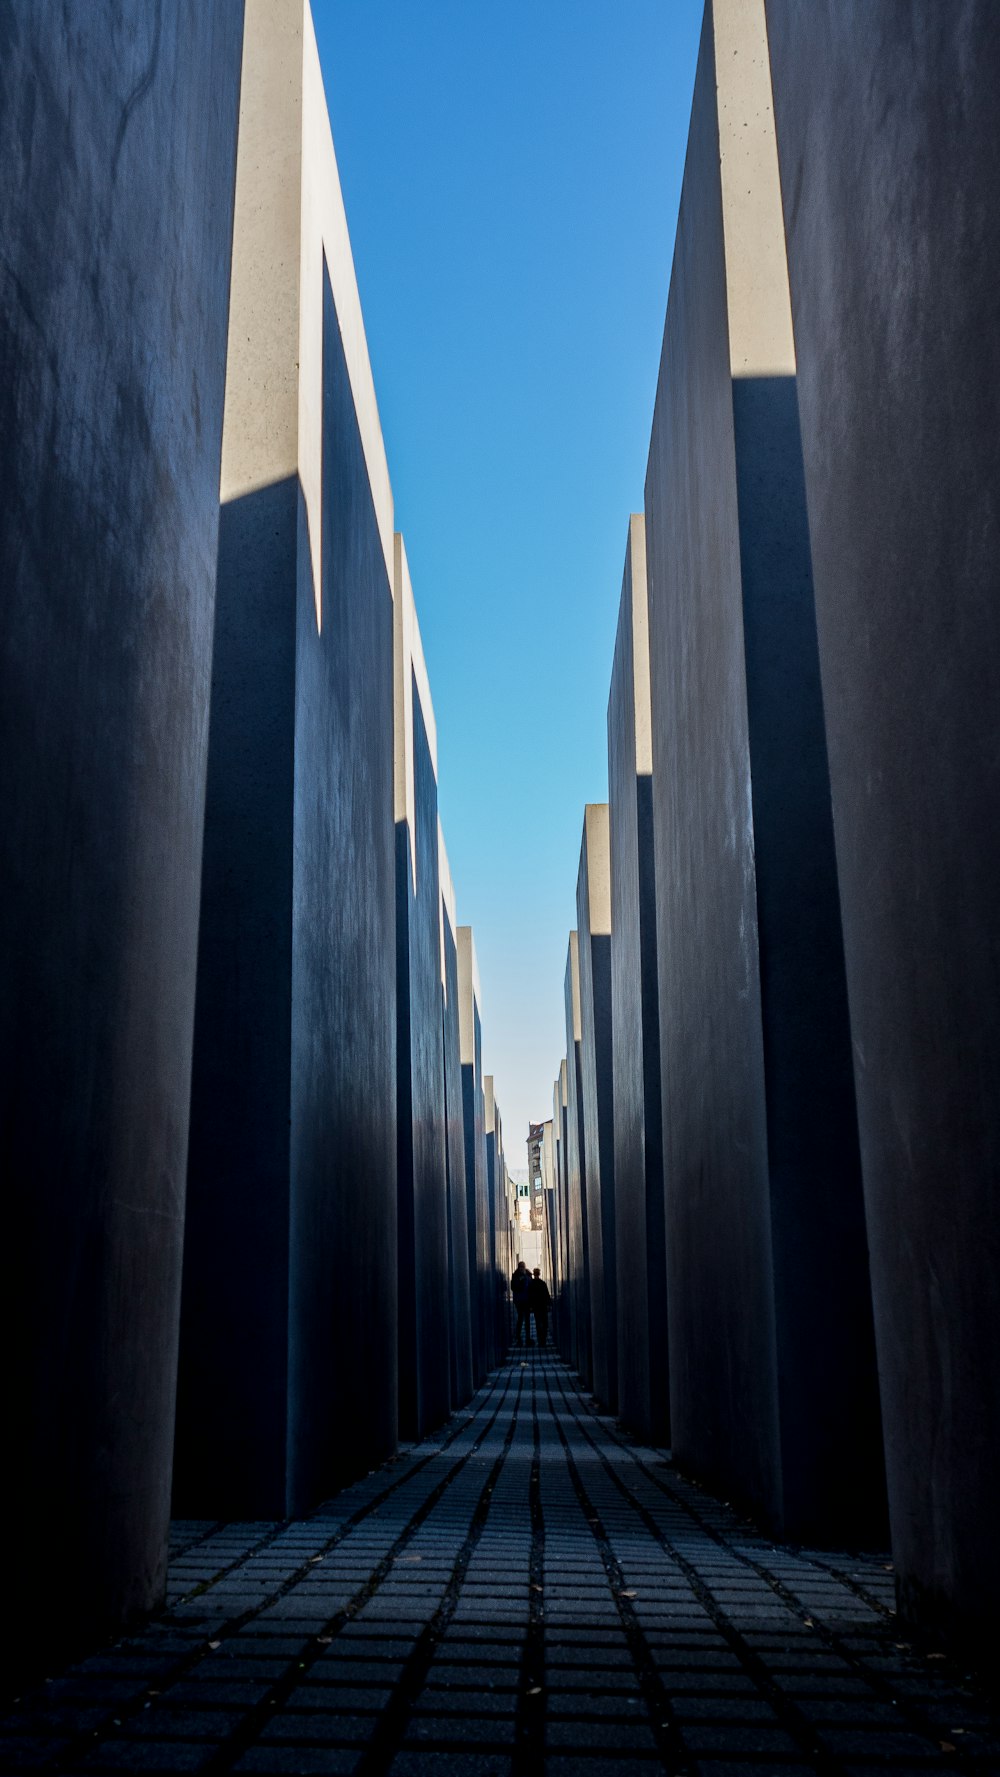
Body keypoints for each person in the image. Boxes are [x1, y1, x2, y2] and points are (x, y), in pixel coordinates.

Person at [528, 1268, 552, 1349]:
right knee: (545, 1323)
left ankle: (540, 1341)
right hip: (543, 1306)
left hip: (536, 1307)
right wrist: (549, 1304)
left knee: (538, 1323)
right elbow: (547, 1294)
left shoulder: (531, 1284)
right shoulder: (543, 1283)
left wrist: (530, 1306)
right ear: (539, 1274)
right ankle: (543, 1341)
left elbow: (530, 1296)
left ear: (534, 1274)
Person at [511, 1260, 530, 1346]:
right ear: (518, 1268)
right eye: (520, 1267)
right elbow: (514, 1288)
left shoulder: (528, 1276)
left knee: (527, 1320)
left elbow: (531, 1288)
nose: (522, 1268)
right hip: (519, 1301)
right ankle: (518, 1338)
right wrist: (521, 1281)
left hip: (526, 1301)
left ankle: (528, 1338)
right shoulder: (515, 1276)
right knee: (520, 1319)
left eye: (523, 1267)